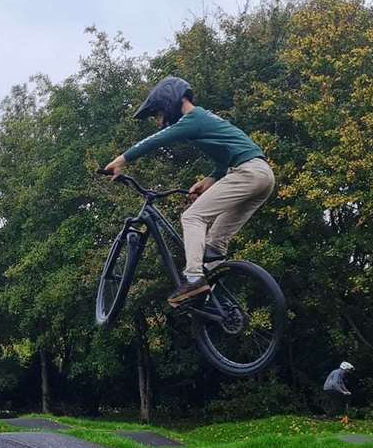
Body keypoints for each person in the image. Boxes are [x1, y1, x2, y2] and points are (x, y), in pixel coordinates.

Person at [101, 77, 275, 307]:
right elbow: (226, 156)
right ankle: (210, 297)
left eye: (157, 114)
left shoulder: (193, 118)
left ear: (169, 103)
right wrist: (210, 179)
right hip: (262, 175)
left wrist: (121, 159)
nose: (158, 121)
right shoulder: (206, 119)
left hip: (248, 173)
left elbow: (157, 140)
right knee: (214, 244)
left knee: (192, 216)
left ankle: (194, 278)